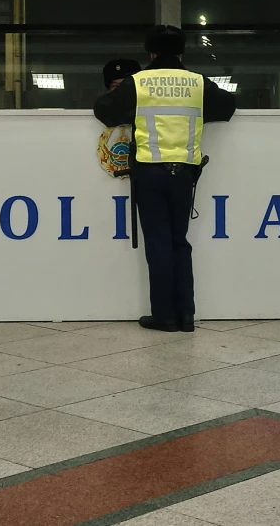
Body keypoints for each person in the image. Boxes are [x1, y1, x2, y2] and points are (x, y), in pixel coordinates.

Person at [94, 25, 236, 332]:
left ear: (151, 52)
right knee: (179, 243)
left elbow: (104, 110)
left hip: (150, 171)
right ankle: (186, 316)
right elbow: (227, 107)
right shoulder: (197, 83)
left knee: (158, 242)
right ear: (181, 51)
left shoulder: (139, 82)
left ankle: (164, 316)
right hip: (184, 172)